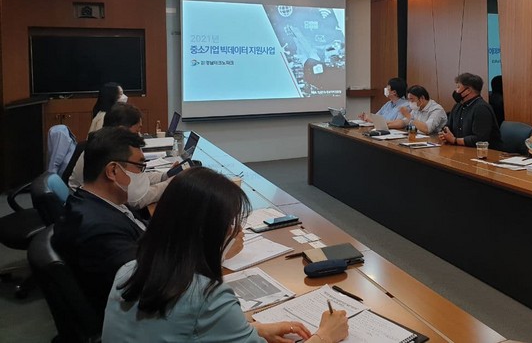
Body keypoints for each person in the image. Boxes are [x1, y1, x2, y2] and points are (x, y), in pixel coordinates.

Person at [102, 167, 349, 343]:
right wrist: (325, 336)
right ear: (207, 232)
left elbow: (180, 328)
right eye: (230, 224)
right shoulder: (208, 296)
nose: (234, 230)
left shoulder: (128, 271)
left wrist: (255, 330)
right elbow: (197, 318)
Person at [53, 127, 148, 319]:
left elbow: (138, 226)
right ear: (113, 171)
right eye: (139, 167)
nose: (141, 174)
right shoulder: (101, 231)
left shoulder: (95, 201)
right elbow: (146, 284)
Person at [70, 103, 173, 209]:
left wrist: (164, 176)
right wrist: (170, 184)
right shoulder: (108, 152)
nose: (139, 136)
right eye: (137, 131)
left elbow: (136, 177)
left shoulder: (104, 143)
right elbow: (135, 199)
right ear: (122, 129)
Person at [439, 73, 503, 149]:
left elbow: (479, 139)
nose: (456, 90)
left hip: (486, 152)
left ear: (468, 90)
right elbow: (448, 126)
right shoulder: (458, 106)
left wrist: (454, 140)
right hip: (462, 149)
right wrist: (445, 134)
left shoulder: (481, 108)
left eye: (458, 87)